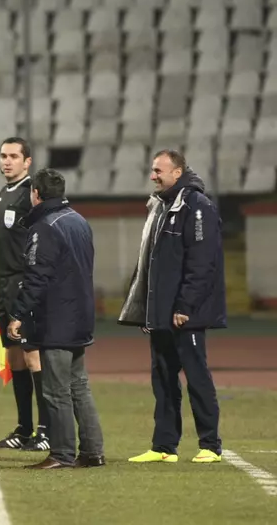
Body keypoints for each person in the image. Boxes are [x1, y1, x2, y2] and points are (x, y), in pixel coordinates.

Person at [120, 150, 226, 464]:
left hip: (184, 314)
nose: (153, 175)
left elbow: (202, 263)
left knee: (196, 377)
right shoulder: (160, 206)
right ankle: (164, 447)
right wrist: (146, 308)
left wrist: (186, 306)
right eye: (153, 170)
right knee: (164, 380)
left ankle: (210, 445)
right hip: (161, 312)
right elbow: (148, 262)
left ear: (177, 173)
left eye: (158, 170)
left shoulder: (197, 207)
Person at [6, 169, 104, 470]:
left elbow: (38, 276)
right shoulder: (79, 221)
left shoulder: (44, 227)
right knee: (79, 386)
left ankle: (61, 453)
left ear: (36, 193)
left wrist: (18, 313)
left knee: (56, 390)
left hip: (57, 319)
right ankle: (92, 450)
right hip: (80, 314)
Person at [0, 137, 51, 452]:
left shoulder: (31, 195)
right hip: (5, 286)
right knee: (14, 356)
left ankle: (46, 429)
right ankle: (24, 428)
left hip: (24, 285)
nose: (7, 161)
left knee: (32, 354)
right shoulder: (3, 194)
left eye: (14, 156)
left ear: (27, 161)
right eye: (3, 155)